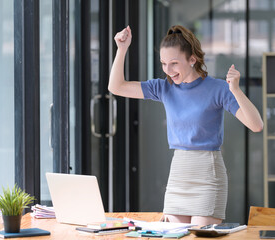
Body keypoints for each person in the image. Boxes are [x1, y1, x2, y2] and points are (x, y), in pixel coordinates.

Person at [108, 25, 263, 225]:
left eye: (173, 63)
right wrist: (121, 49)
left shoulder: (218, 89)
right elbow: (116, 87)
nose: (168, 70)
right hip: (178, 174)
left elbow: (256, 125)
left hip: (208, 175)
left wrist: (236, 90)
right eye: (163, 63)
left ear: (192, 59)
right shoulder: (164, 88)